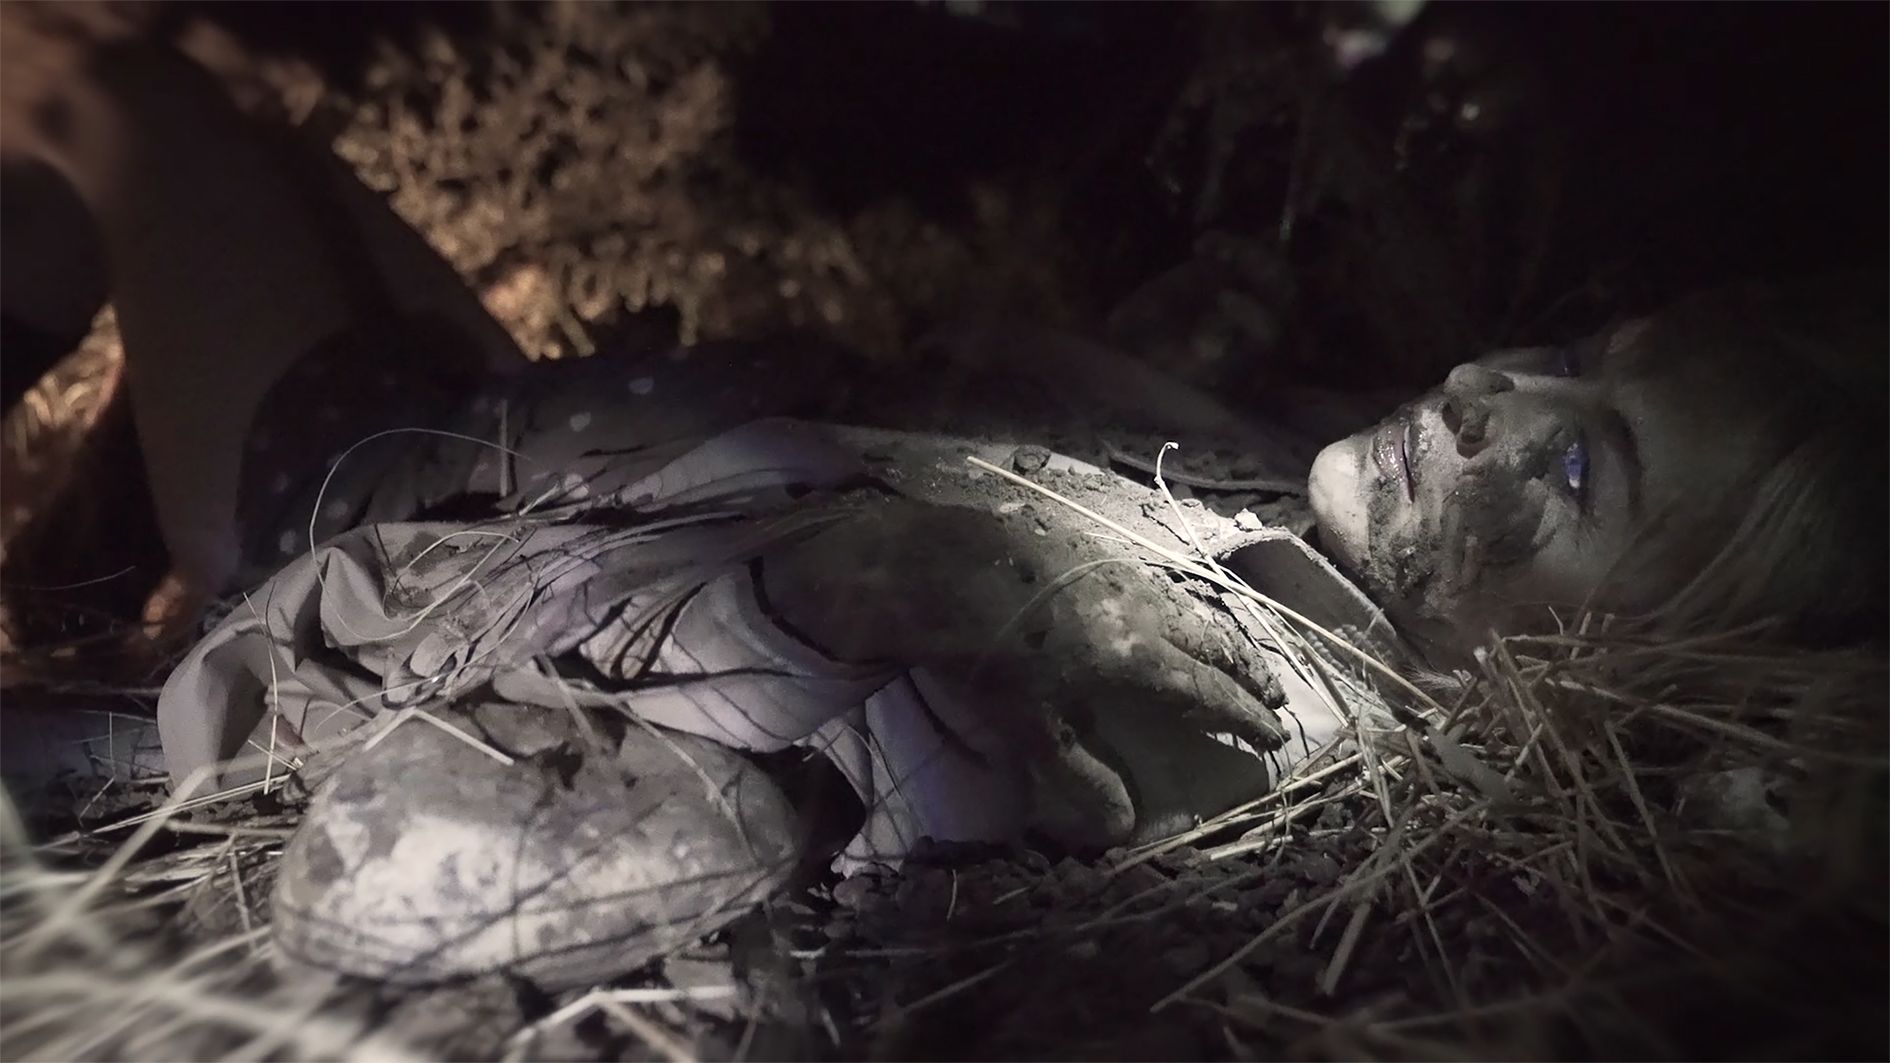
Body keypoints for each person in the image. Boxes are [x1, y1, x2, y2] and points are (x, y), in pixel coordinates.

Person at [4, 28, 1881, 990]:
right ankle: (96, 532)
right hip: (495, 433)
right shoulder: (1318, 553)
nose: (1489, 395)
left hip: (380, 510)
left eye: (1576, 469)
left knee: (100, 94)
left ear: (1627, 694)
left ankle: (149, 519)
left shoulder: (1234, 722)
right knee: (251, 142)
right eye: (1578, 358)